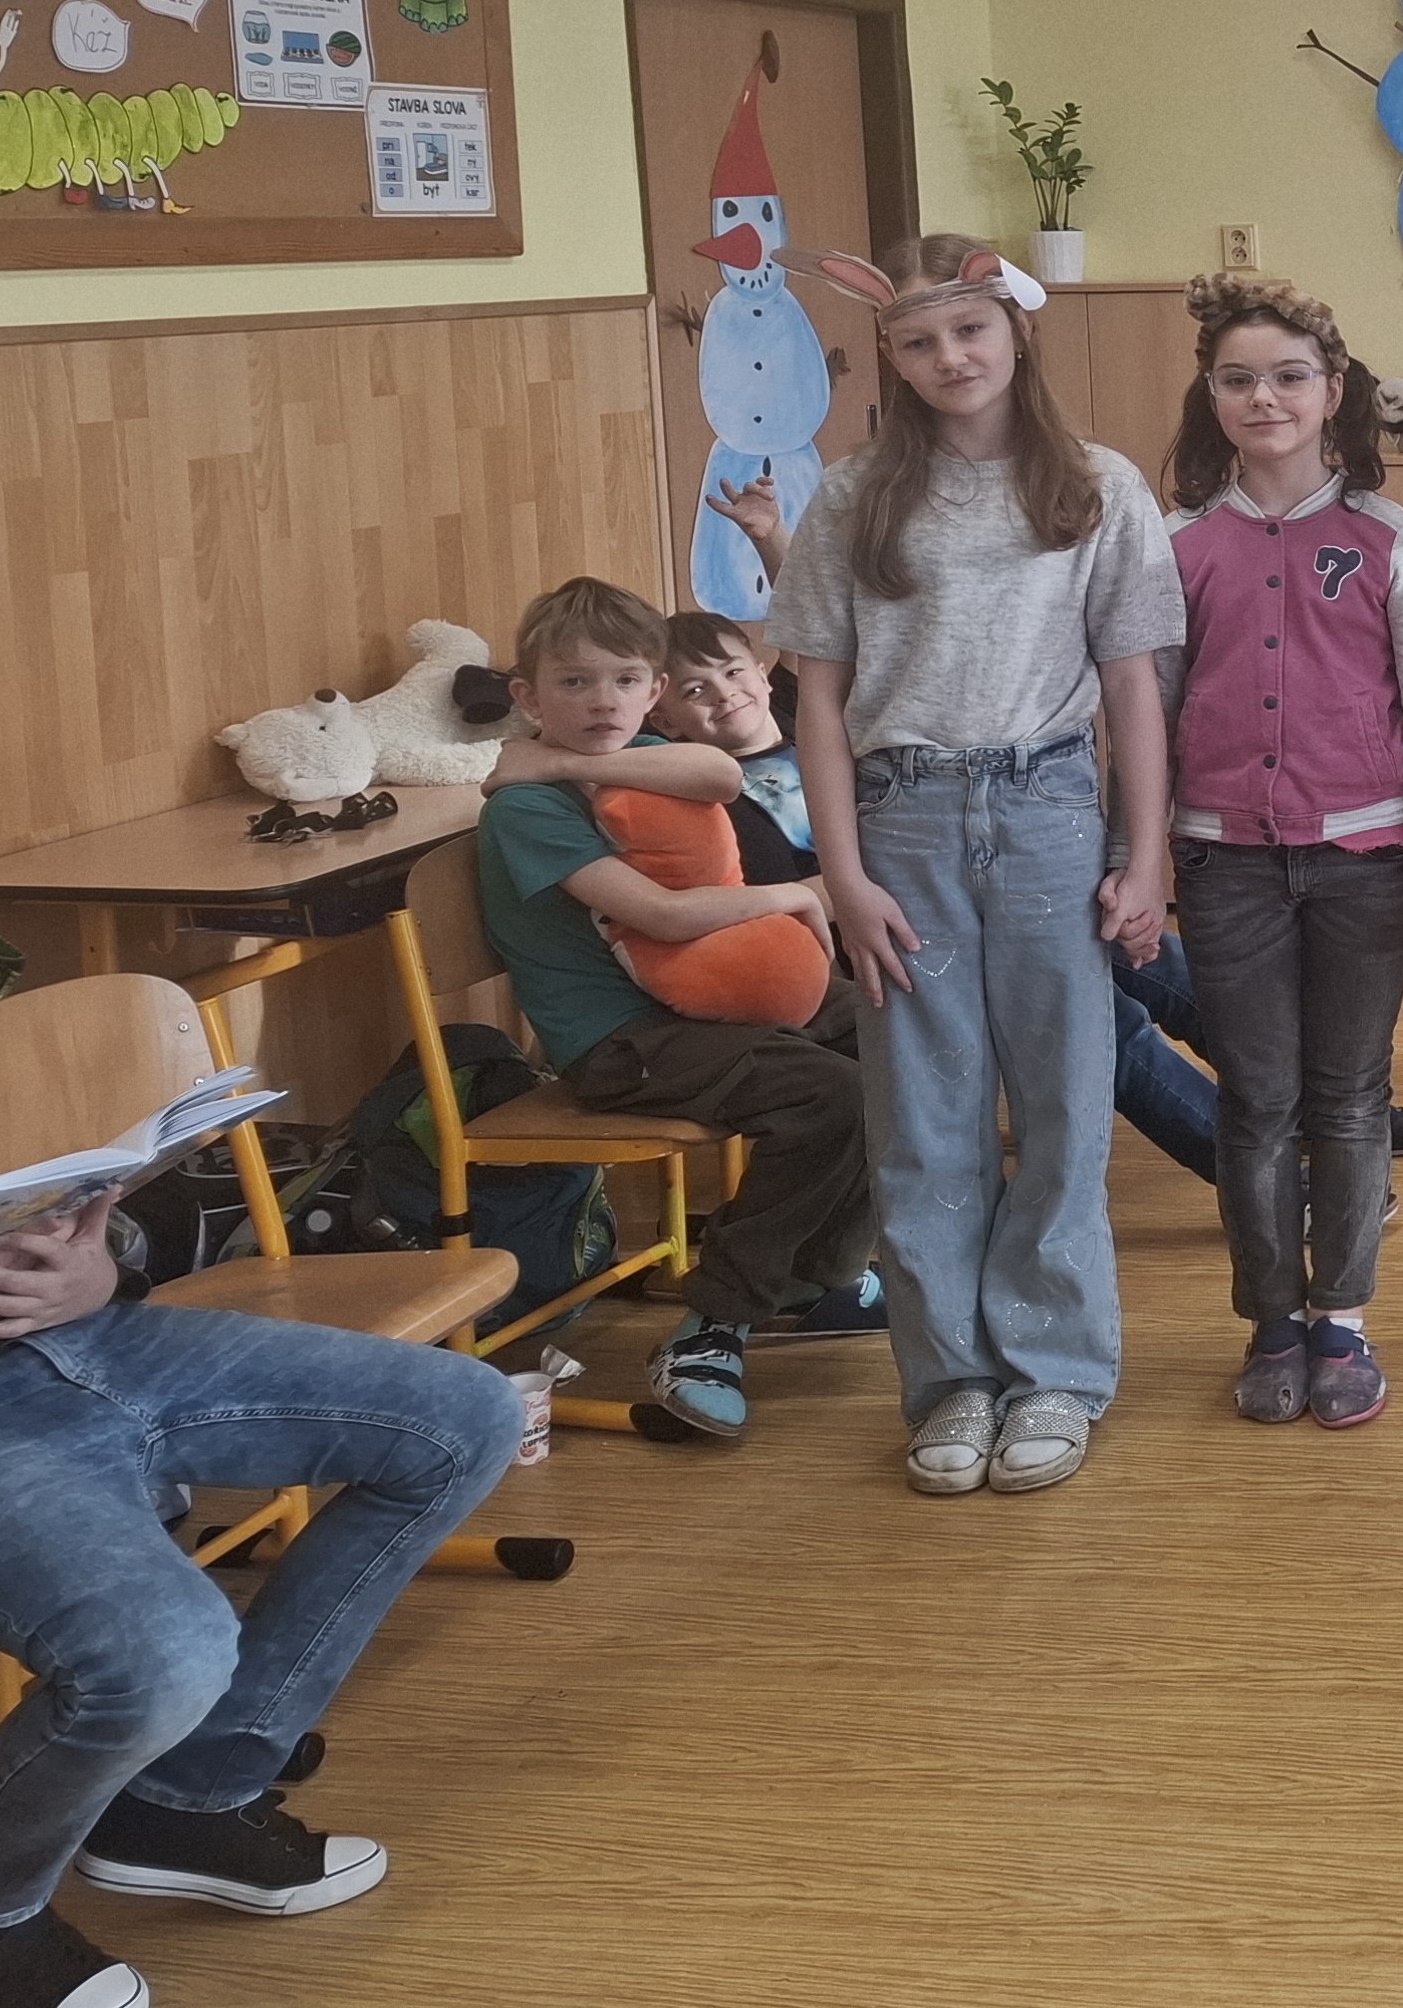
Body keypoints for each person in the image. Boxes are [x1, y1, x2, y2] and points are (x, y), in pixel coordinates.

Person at [0, 1057, 520, 2008]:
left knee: (467, 1417)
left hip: (47, 1337)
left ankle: (188, 1796)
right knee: (165, 1657)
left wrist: (85, 1268)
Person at [772, 238, 1181, 1500]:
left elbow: (1133, 686)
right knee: (923, 1115)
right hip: (902, 818)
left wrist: (1146, 853)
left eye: (970, 331)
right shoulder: (854, 496)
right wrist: (841, 877)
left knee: (1062, 1102)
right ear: (890, 357)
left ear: (1015, 333)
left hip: (1051, 808)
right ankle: (952, 1378)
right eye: (919, 341)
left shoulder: (1097, 484)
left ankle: (1055, 1370)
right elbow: (819, 701)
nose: (950, 358)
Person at [1161, 276, 1403, 1432]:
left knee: (1349, 1096)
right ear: (1211, 395)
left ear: (1332, 388)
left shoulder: (1390, 540)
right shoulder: (1177, 546)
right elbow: (1144, 716)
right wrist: (1133, 858)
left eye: (1289, 377)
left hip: (1363, 861)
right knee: (1255, 1100)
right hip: (1225, 865)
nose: (1265, 398)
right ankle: (1271, 1321)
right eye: (1239, 379)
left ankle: (1341, 1317)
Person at [675, 519, 1226, 1188]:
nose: (724, 693)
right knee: (1115, 1023)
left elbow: (809, 611)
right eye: (693, 691)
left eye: (733, 672)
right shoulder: (707, 804)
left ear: (765, 677)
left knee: (1159, 960)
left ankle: (1301, 1115)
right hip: (896, 938)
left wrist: (767, 534)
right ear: (662, 719)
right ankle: (1249, 1172)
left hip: (985, 881)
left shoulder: (798, 710)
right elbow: (776, 909)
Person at [473, 575, 878, 1441]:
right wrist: (794, 897)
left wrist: (566, 759)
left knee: (908, 1043)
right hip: (621, 1040)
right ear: (527, 697)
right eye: (574, 683)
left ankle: (814, 1278)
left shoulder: (632, 760)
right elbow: (657, 917)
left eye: (624, 680)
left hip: (705, 1003)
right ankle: (713, 1325)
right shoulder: (525, 807)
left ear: (654, 692)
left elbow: (720, 772)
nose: (602, 701)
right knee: (832, 1096)